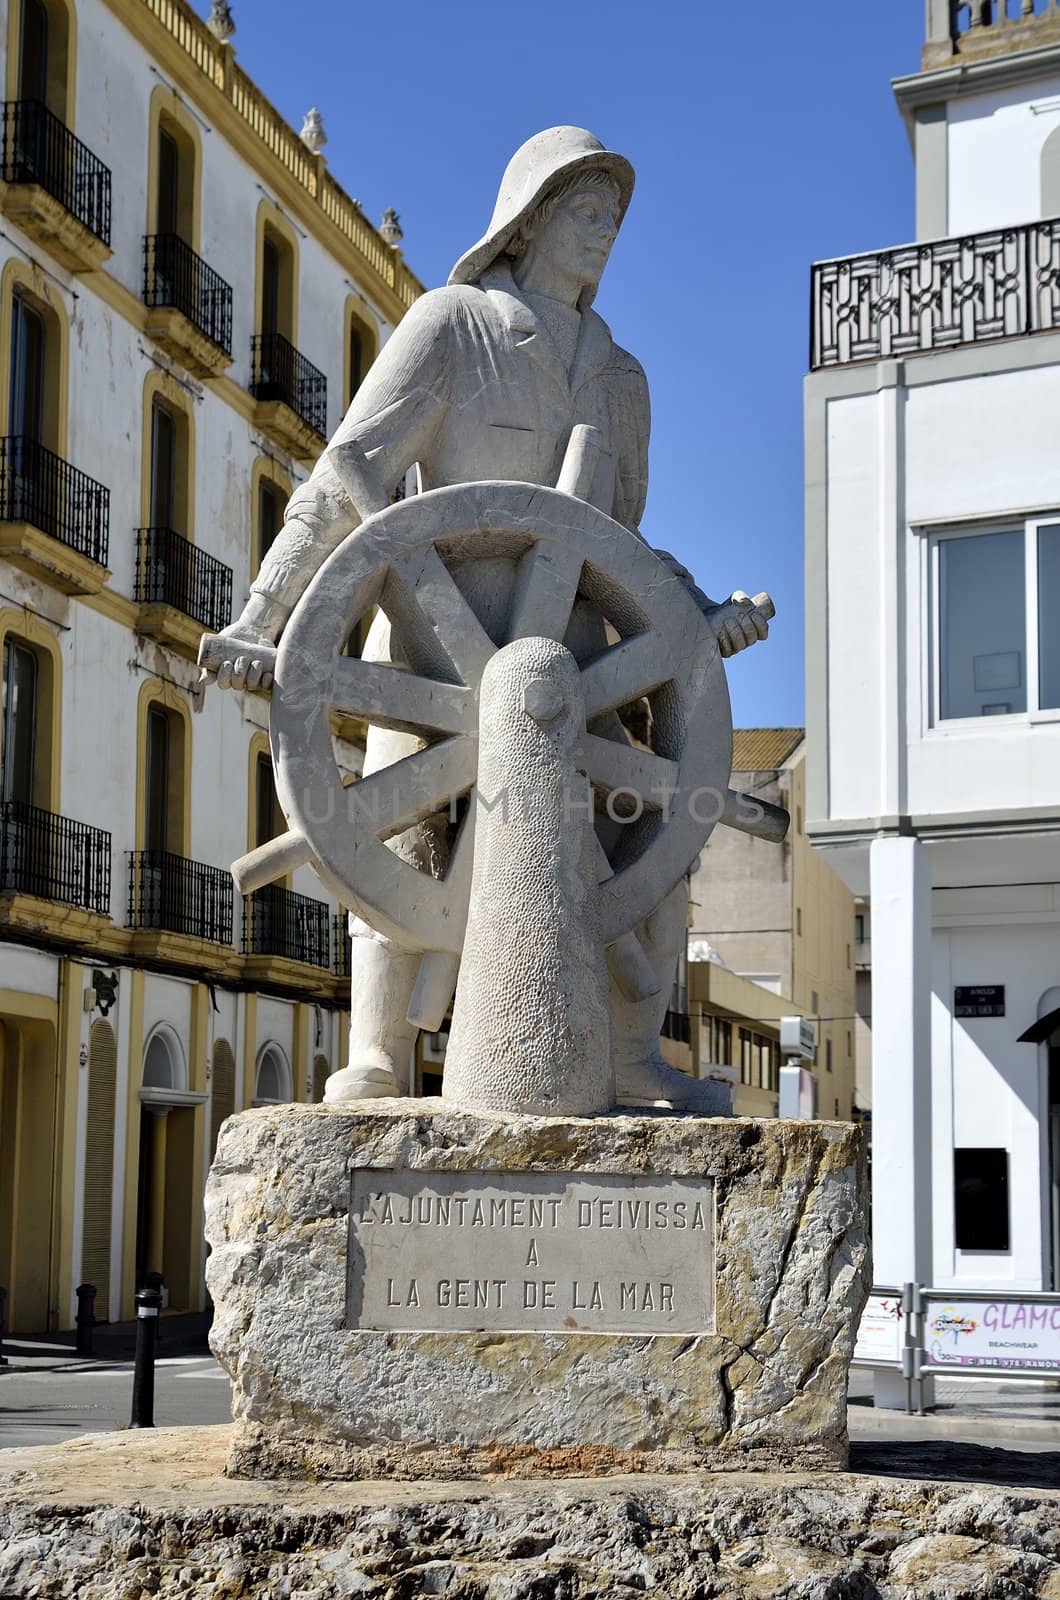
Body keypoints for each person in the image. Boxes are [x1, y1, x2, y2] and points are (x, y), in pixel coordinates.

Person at [208, 126, 771, 1108]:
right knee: (392, 837)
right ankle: (378, 1050)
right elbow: (346, 481)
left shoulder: (620, 376)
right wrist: (264, 619)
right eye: (584, 212)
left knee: (646, 838)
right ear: (529, 220)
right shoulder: (450, 326)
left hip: (576, 672)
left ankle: (630, 1054)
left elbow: (622, 542)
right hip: (425, 658)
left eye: (613, 219)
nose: (603, 233)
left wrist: (696, 613)